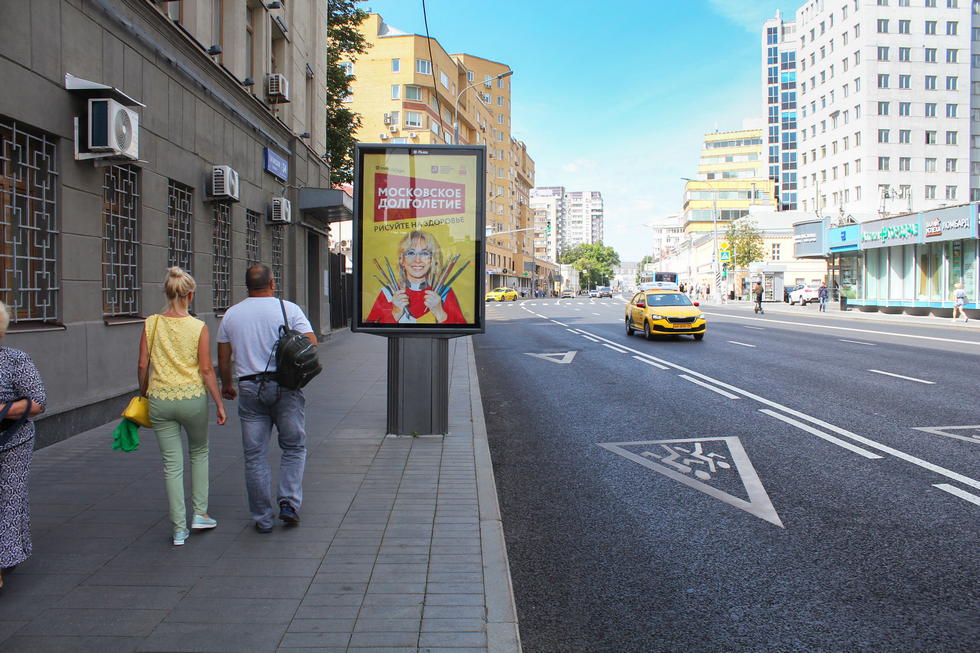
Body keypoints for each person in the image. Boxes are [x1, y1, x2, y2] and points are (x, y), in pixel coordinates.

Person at [217, 265, 316, 533]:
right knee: (294, 447)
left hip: (249, 388)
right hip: (285, 387)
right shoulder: (288, 309)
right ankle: (289, 503)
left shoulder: (231, 314)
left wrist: (227, 385)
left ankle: (262, 518)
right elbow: (311, 342)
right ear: (272, 283)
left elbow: (223, 358)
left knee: (254, 456)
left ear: (247, 286)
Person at [139, 268, 226, 546]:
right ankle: (200, 514)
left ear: (167, 293)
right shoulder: (198, 327)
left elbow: (142, 364)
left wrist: (144, 392)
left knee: (171, 465)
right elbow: (206, 370)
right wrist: (219, 403)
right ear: (191, 295)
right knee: (199, 452)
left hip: (160, 399)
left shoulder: (151, 324)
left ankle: (178, 530)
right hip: (192, 399)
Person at [0, 301, 46, 588]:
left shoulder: (15, 360)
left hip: (12, 441)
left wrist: (3, 410)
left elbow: (38, 402)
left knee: (9, 497)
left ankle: (4, 561)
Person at [365, 230, 466, 324]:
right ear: (402, 260)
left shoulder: (444, 293)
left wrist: (440, 313)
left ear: (432, 260)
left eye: (424, 253)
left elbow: (461, 330)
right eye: (411, 253)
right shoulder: (388, 293)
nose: (417, 260)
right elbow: (371, 328)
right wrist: (395, 313)